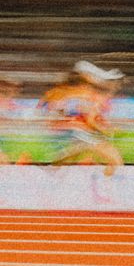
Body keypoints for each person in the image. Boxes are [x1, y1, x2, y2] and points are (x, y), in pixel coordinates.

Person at [41, 61, 125, 191]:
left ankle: (55, 172)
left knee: (69, 163)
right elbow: (88, 118)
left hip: (78, 131)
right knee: (114, 161)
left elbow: (55, 108)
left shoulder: (73, 91)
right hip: (80, 132)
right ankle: (102, 192)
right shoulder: (83, 93)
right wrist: (105, 130)